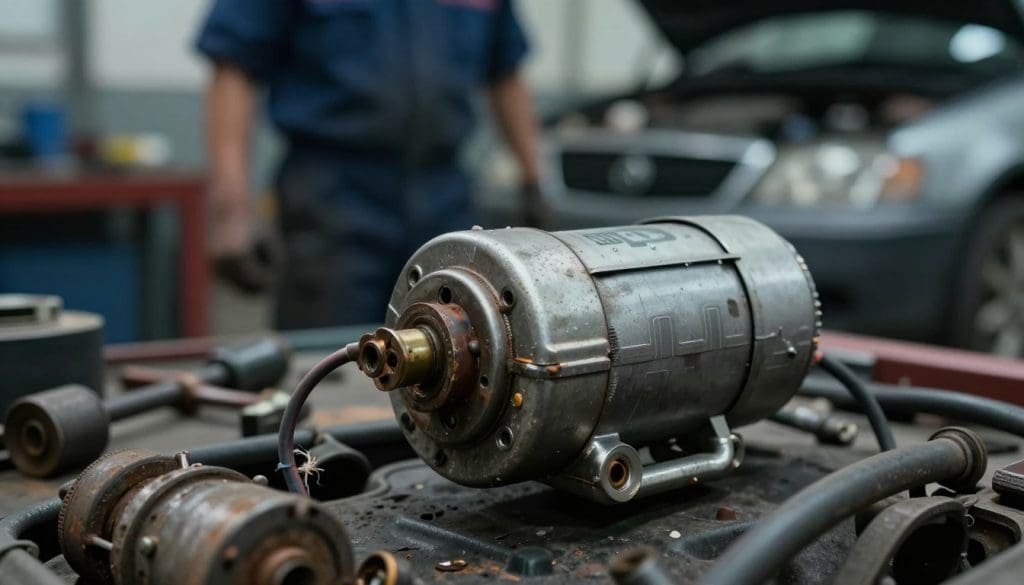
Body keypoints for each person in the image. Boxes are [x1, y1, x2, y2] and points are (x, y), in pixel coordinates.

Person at [196, 0, 541, 328]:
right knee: (333, 361)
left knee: (456, 353)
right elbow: (234, 65)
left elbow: (505, 72)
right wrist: (230, 206)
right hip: (332, 198)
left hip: (444, 196)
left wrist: (535, 180)